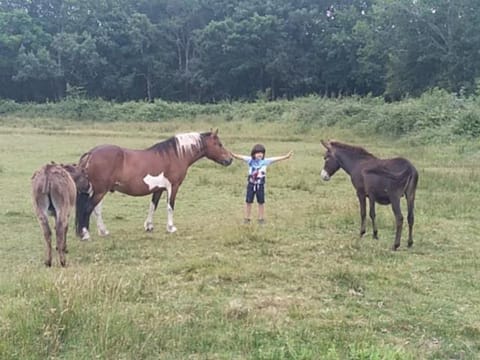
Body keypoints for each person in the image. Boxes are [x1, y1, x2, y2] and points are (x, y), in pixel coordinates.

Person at [231, 144, 293, 224]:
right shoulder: (250, 160)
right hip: (251, 184)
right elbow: (241, 157)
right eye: (257, 153)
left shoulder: (265, 161)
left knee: (261, 202)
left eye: (261, 153)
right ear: (253, 154)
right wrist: (232, 154)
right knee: (248, 201)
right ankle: (247, 218)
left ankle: (261, 219)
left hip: (260, 185)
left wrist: (286, 156)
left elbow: (275, 159)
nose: (259, 154)